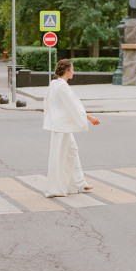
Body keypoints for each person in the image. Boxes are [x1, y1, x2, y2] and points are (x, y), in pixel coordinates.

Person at [43, 58, 100, 197]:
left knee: (71, 151)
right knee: (60, 156)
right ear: (67, 71)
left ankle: (79, 183)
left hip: (60, 125)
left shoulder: (54, 84)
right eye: (72, 69)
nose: (73, 71)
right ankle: (55, 188)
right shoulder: (62, 86)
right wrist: (89, 117)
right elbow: (73, 106)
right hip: (62, 126)